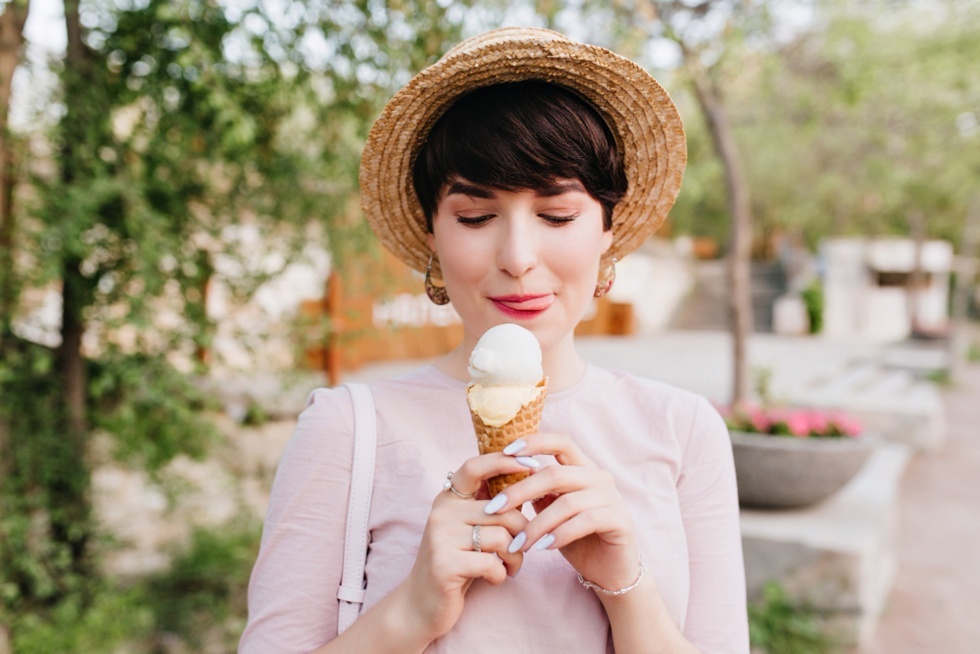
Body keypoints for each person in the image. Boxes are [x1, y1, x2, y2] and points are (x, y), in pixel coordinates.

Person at [240, 27, 748, 653]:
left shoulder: (684, 431)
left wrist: (625, 586)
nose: (517, 257)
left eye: (557, 215)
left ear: (607, 229)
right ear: (432, 231)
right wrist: (412, 612)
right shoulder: (347, 429)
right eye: (476, 216)